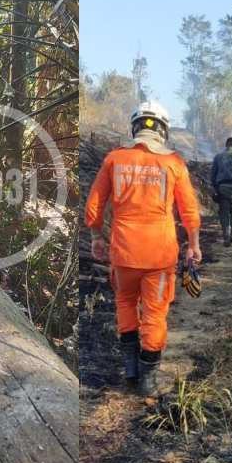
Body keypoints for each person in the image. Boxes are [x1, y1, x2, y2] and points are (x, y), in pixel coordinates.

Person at [85, 101, 202, 396]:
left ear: (135, 127)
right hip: (159, 255)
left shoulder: (114, 159)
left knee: (125, 303)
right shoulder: (173, 163)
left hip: (123, 252)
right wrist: (193, 245)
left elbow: (94, 205)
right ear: (163, 129)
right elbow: (189, 210)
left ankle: (130, 370)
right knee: (155, 313)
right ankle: (149, 379)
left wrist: (97, 237)